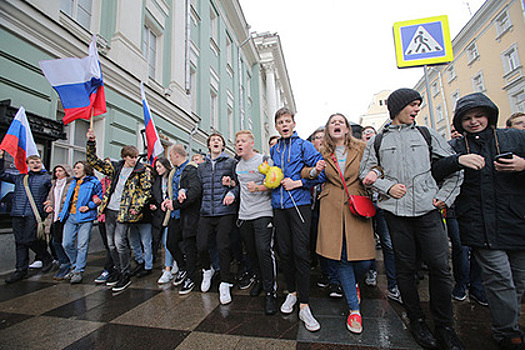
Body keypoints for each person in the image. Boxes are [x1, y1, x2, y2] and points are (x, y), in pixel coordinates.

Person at [359, 88, 464, 350]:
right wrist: (385, 186)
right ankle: (416, 320)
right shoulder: (378, 141)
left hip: (429, 212)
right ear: (398, 107)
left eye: (418, 105)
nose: (417, 110)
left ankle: (445, 326)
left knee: (440, 268)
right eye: (413, 105)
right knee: (405, 270)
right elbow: (366, 175)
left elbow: (454, 168)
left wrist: (443, 197)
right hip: (396, 214)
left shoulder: (427, 134)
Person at [432, 93, 525, 350]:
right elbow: (435, 171)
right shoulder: (456, 147)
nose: (474, 122)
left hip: (517, 220)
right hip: (479, 224)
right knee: (499, 278)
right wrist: (457, 161)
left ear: (489, 116)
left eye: (478, 116)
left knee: (518, 279)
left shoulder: (515, 137)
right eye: (467, 118)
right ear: (460, 122)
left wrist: (522, 164)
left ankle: (507, 323)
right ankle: (508, 332)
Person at [315, 113, 375, 333]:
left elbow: (377, 166)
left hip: (356, 204)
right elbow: (306, 172)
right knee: (341, 257)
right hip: (331, 206)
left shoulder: (362, 148)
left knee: (365, 260)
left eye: (340, 121)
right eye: (332, 122)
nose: (336, 124)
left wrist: (374, 174)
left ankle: (354, 283)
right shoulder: (322, 151)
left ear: (347, 128)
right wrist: (314, 170)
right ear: (329, 130)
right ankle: (354, 309)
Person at [270, 107, 324, 332]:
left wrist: (298, 183)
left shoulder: (305, 145)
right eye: (280, 122)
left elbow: (320, 173)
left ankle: (304, 305)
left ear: (293, 124)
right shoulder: (274, 150)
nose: (284, 125)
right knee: (285, 252)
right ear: (276, 126)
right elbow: (273, 175)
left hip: (299, 205)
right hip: (278, 206)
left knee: (301, 253)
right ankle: (291, 293)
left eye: (287, 121)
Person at [86, 129, 151, 292]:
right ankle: (117, 270)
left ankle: (125, 274)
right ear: (124, 157)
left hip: (125, 212)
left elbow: (146, 191)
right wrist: (91, 142)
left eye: (136, 157)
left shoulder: (141, 171)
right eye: (131, 157)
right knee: (111, 245)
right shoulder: (116, 167)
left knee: (120, 242)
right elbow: (94, 162)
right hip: (109, 210)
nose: (134, 160)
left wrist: (136, 207)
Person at [235, 130, 277, 314]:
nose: (239, 144)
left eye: (243, 141)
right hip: (244, 215)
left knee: (263, 250)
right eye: (237, 142)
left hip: (263, 212)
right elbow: (240, 188)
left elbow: (275, 182)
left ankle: (271, 292)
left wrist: (258, 187)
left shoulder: (264, 160)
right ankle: (259, 281)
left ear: (251, 143)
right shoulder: (237, 166)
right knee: (251, 252)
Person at [359, 126, 401, 303]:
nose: (368, 134)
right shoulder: (361, 155)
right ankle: (371, 270)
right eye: (365, 133)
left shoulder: (385, 153)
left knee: (388, 243)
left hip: (384, 204)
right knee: (368, 240)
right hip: (366, 203)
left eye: (371, 132)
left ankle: (393, 284)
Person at [196, 133, 238, 304]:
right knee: (201, 245)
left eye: (219, 140)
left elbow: (239, 184)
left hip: (224, 212)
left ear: (222, 146)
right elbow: (196, 188)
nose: (216, 142)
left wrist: (231, 192)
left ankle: (225, 283)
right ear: (209, 145)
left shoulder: (231, 163)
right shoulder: (201, 167)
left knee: (223, 247)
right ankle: (207, 270)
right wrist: (183, 191)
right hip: (206, 212)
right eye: (213, 140)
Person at [0, 152, 54, 283]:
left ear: (41, 164)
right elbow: (1, 174)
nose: (35, 164)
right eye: (32, 162)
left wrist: (50, 204)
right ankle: (20, 270)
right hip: (18, 213)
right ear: (28, 165)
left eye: (38, 162)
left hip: (34, 214)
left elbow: (55, 192)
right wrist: (1, 159)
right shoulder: (20, 178)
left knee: (29, 239)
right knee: (19, 242)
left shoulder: (47, 178)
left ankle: (45, 257)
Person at [163, 144, 201, 295]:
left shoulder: (191, 169)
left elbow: (194, 191)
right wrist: (167, 200)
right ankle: (183, 268)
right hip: (174, 215)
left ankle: (191, 277)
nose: (170, 158)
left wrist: (176, 203)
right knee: (171, 244)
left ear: (177, 155)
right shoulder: (173, 171)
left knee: (189, 248)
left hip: (188, 216)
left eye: (170, 156)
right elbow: (171, 191)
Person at [58, 161, 102, 284]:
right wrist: (62, 213)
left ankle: (78, 271)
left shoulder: (94, 182)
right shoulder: (72, 182)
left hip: (85, 217)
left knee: (82, 245)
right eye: (75, 167)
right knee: (66, 243)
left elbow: (100, 197)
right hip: (71, 216)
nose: (75, 170)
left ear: (85, 170)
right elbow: (68, 199)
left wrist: (89, 206)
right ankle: (74, 264)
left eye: (78, 168)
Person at [151, 157, 178, 284]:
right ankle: (174, 261)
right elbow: (153, 195)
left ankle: (167, 269)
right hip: (159, 215)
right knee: (163, 241)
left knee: (168, 241)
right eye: (156, 167)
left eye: (160, 166)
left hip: (172, 213)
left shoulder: (173, 177)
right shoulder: (156, 180)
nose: (158, 169)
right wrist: (154, 204)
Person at [43, 164, 73, 280]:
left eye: (60, 171)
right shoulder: (54, 185)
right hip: (54, 217)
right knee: (55, 242)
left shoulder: (70, 184)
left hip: (64, 217)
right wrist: (48, 207)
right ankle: (64, 263)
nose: (58, 173)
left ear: (66, 172)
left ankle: (67, 264)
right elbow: (49, 200)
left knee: (62, 242)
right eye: (56, 171)